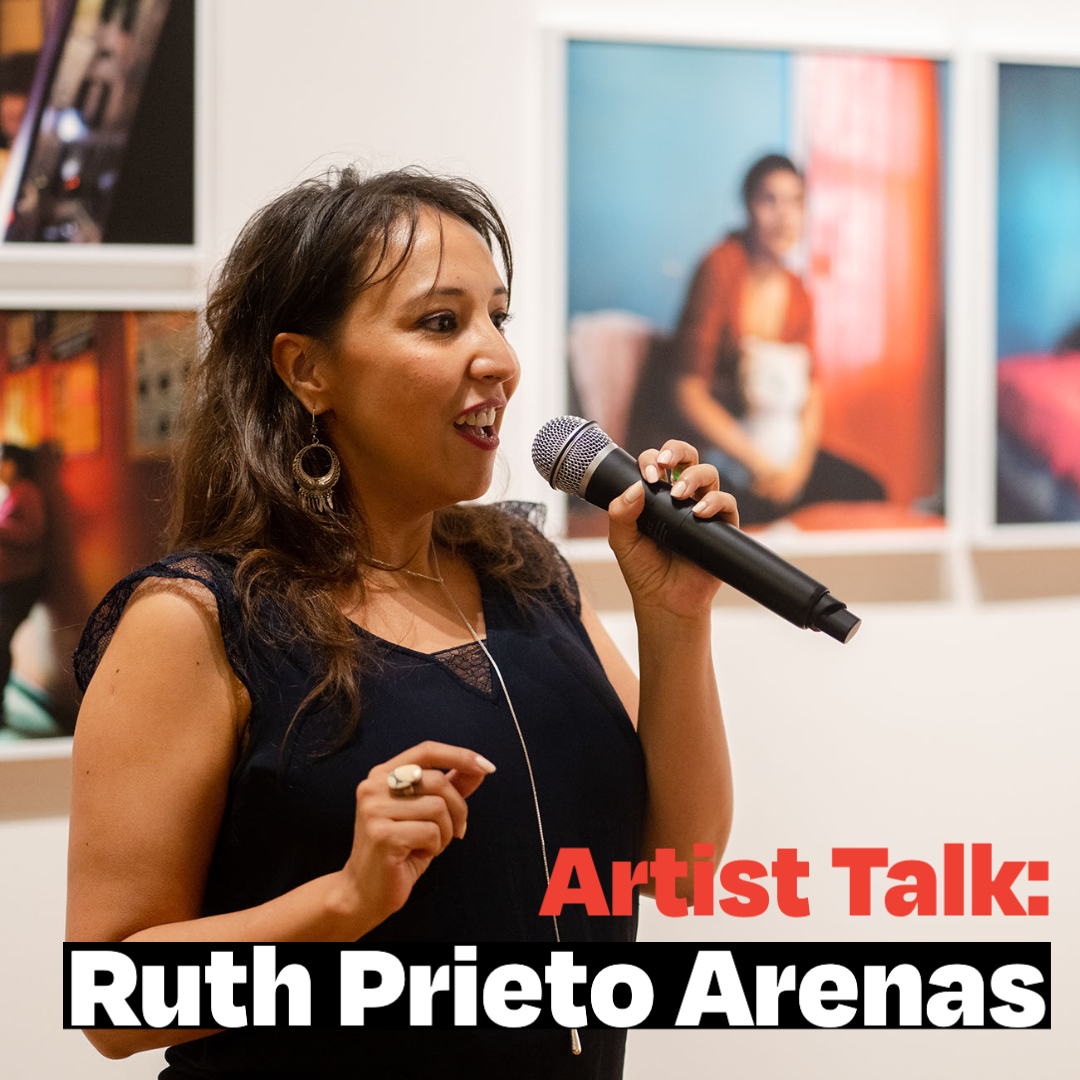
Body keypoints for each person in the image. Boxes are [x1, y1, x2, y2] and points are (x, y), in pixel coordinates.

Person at [67, 167, 736, 1078]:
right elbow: (114, 1002)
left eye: (498, 315)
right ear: (308, 370)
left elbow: (682, 865)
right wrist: (342, 902)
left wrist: (675, 617)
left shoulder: (524, 573)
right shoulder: (195, 620)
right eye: (440, 321)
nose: (498, 356)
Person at [672, 153, 884, 525]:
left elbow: (811, 391)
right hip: (725, 451)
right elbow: (688, 393)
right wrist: (760, 464)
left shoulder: (798, 292)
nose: (784, 215)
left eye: (795, 201)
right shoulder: (720, 268)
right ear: (748, 206)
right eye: (769, 200)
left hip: (781, 450)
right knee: (739, 514)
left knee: (869, 490)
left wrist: (798, 469)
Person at [0, 443, 46, 728]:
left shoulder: (27, 491)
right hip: (9, 583)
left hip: (21, 583)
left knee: (1, 638)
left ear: (14, 464)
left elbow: (34, 531)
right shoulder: (14, 492)